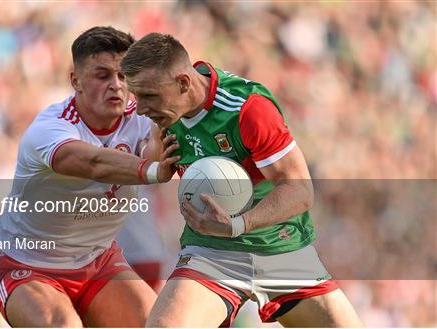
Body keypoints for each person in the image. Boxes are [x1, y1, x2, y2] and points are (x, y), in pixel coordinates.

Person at [121, 33, 363, 327]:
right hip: (212, 252)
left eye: (148, 96)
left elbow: (299, 189)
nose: (142, 107)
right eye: (137, 96)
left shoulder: (247, 109)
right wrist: (157, 163)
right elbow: (154, 156)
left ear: (184, 83)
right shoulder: (166, 110)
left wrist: (238, 224)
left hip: (280, 247)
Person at [0, 27, 179, 327]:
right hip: (29, 266)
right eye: (102, 76)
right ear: (75, 80)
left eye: (123, 75)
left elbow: (155, 155)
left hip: (97, 260)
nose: (115, 85)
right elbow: (93, 163)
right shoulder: (50, 129)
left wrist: (161, 127)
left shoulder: (140, 114)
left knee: (159, 323)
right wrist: (151, 171)